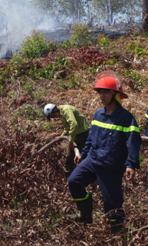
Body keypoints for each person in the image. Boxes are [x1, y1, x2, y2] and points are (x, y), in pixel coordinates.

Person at [66, 73, 141, 235]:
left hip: (111, 166)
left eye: (106, 92)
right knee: (73, 181)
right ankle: (86, 215)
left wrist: (131, 164)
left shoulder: (126, 118)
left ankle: (117, 232)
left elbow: (133, 142)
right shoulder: (98, 114)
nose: (102, 95)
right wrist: (83, 154)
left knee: (112, 201)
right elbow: (91, 137)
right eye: (100, 92)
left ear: (115, 94)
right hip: (92, 160)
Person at [43, 104, 90, 178]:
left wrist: (71, 141)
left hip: (82, 135)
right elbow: (67, 128)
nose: (54, 117)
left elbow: (74, 125)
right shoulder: (62, 114)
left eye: (53, 115)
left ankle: (81, 177)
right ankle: (69, 177)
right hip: (76, 135)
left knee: (80, 156)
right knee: (70, 158)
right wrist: (61, 136)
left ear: (55, 109)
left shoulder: (66, 110)